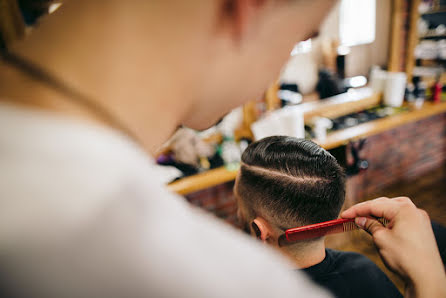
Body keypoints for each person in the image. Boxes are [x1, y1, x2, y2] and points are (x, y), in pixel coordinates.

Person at [0, 0, 444, 297]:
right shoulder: (215, 281)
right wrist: (431, 286)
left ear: (256, 228)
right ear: (250, 7)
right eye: (300, 35)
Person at [234, 136, 402, 298]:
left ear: (259, 231)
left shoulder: (235, 288)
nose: (238, 214)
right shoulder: (363, 270)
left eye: (239, 207)